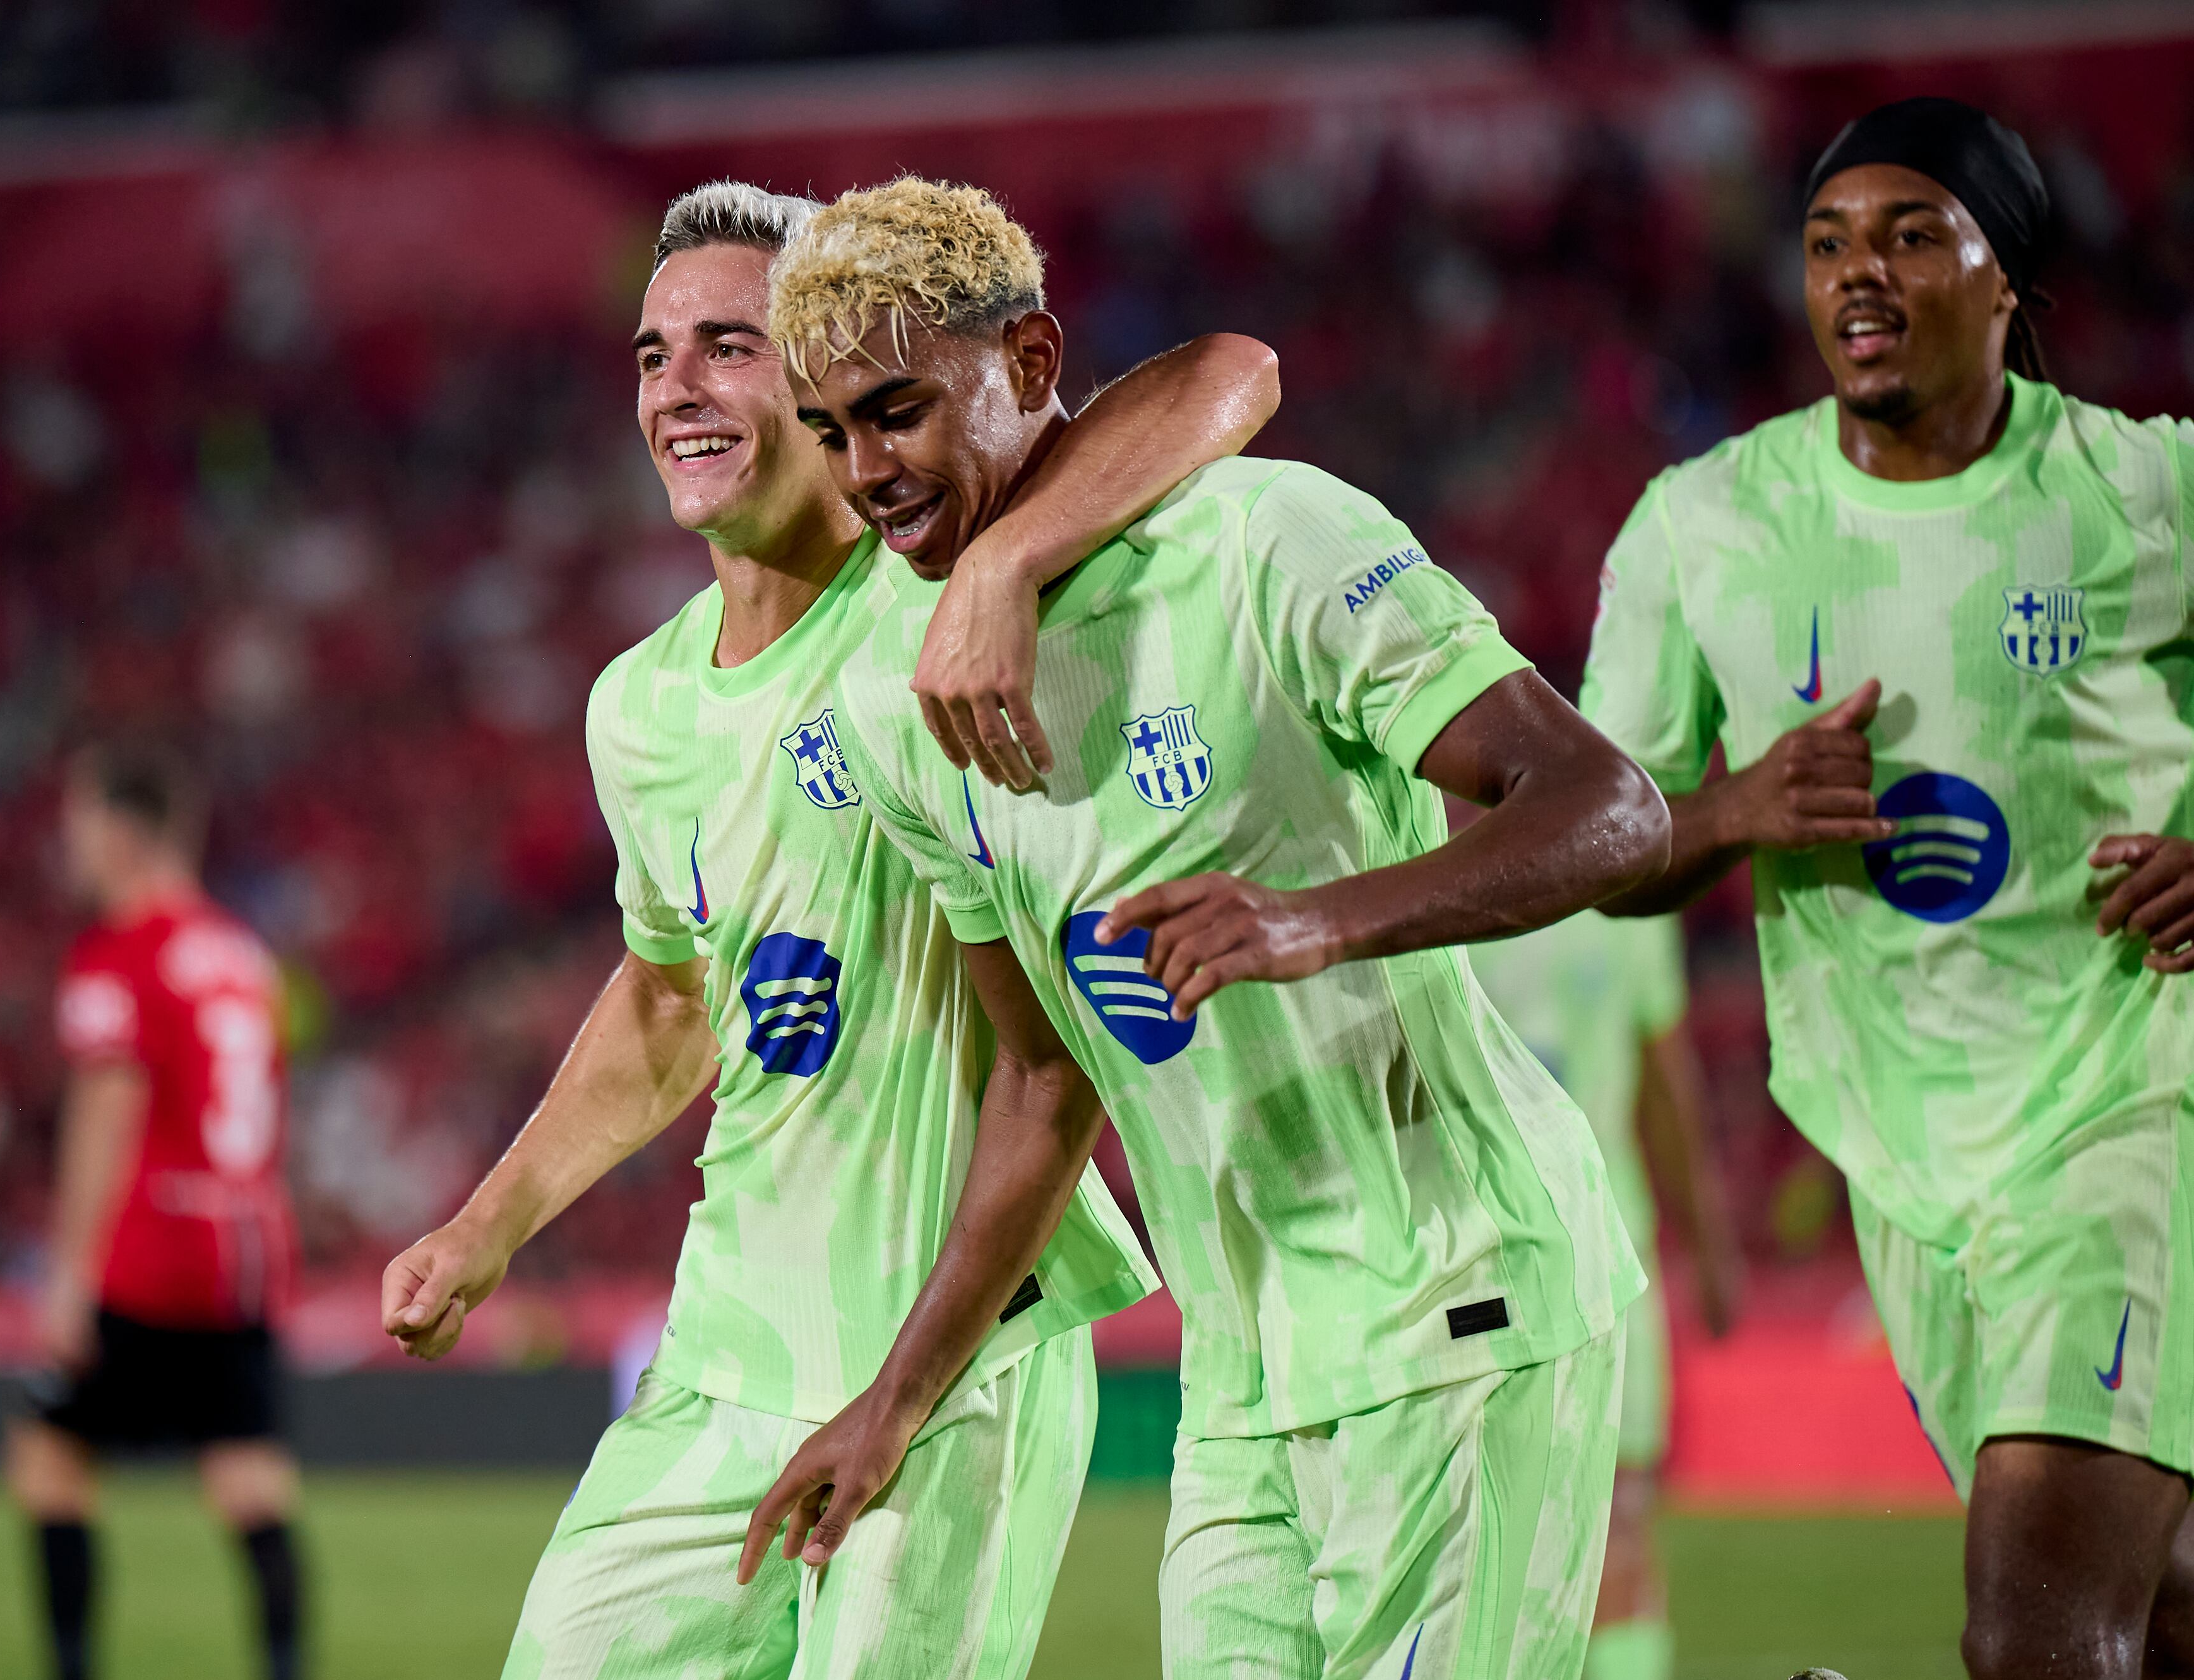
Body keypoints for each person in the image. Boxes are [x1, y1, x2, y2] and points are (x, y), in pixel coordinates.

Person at [748, 176, 1671, 1680]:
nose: (865, 470)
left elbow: (1608, 807)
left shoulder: (1267, 542)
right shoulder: (893, 705)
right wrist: (894, 1401)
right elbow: (1042, 1084)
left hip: (1459, 1297)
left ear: (1034, 368)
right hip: (1240, 1384)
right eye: (832, 429)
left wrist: (1313, 922)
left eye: (899, 412)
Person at [378, 181, 1282, 1679]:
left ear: (818, 376)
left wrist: (1000, 562)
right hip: (725, 1351)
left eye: (730, 346)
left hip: (948, 1358)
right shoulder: (639, 708)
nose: (679, 386)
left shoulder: (940, 586)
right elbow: (674, 1005)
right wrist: (486, 1229)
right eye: (654, 354)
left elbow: (1226, 376)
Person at [1577, 97, 2194, 1679]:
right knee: (2161, 1615)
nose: (1861, 269)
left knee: (2035, 1635)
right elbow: (1609, 853)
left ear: (2007, 279)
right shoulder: (1699, 529)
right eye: (1828, 239)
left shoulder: (2141, 494)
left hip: (2126, 1110)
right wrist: (1730, 810)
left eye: (1915, 231)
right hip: (1900, 1161)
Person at [6, 741, 303, 1680]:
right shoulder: (244, 953)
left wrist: (68, 1275)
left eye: (81, 822)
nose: (72, 843)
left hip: (150, 1244)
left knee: (48, 1457)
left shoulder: (120, 952)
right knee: (246, 1474)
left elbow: (110, 1107)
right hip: (247, 1241)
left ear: (125, 832)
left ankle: (72, 1665)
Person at [1467, 908, 1743, 1680]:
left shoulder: (1624, 888)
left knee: (1613, 1519)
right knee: (1497, 1538)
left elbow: (1662, 1076)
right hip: (1488, 1261)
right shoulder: (1433, 859)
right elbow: (1665, 1078)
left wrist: (1708, 1241)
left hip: (1597, 1250)